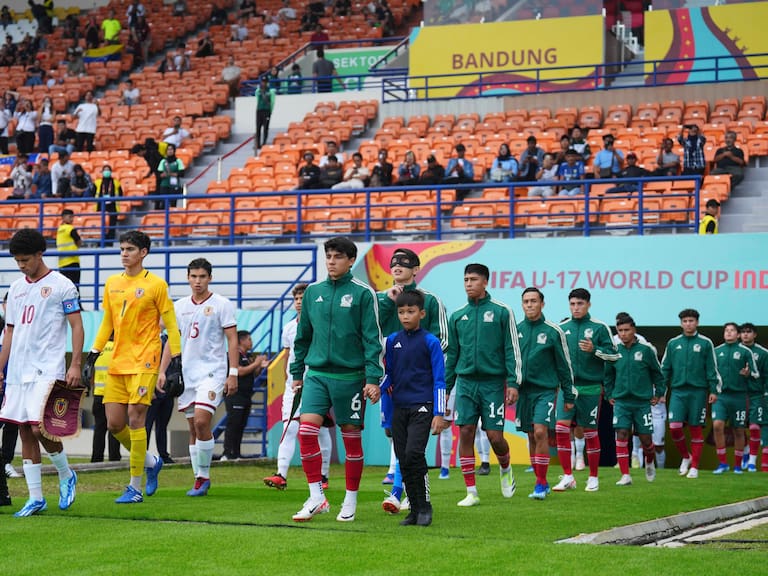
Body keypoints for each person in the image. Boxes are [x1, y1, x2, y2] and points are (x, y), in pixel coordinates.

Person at [290, 237, 383, 522]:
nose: (331, 261)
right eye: (328, 256)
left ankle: (350, 500)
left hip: (351, 377)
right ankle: (317, 497)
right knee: (306, 432)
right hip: (317, 375)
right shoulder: (313, 292)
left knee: (351, 441)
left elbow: (372, 339)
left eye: (338, 257)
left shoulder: (363, 294)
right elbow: (302, 335)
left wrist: (372, 378)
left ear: (351, 260)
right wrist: (297, 373)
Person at [86, 230, 182, 503]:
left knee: (136, 417)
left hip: (146, 360)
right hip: (118, 360)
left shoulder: (156, 285)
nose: (124, 253)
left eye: (130, 249)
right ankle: (152, 461)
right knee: (115, 424)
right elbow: (108, 322)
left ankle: (134, 486)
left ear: (143, 253)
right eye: (122, 249)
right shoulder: (112, 283)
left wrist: (175, 360)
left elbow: (171, 324)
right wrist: (93, 354)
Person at [0, 229, 83, 517]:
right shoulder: (16, 289)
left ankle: (65, 473)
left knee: (39, 426)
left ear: (40, 254)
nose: (21, 265)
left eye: (25, 260)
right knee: (24, 429)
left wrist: (74, 364)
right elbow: (9, 331)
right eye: (17, 261)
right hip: (19, 371)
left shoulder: (62, 285)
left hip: (47, 367)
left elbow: (76, 325)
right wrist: (1, 367)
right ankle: (36, 497)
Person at [158, 258, 238, 497]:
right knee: (193, 427)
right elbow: (172, 342)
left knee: (203, 422)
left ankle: (203, 476)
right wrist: (162, 371)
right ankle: (198, 478)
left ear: (210, 278)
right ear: (188, 278)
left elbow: (232, 340)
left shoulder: (222, 304)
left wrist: (232, 373)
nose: (197, 281)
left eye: (202, 276)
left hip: (212, 372)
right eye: (193, 277)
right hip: (187, 375)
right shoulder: (180, 306)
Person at [445, 263, 521, 507]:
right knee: (465, 431)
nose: (469, 283)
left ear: (485, 282)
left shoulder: (502, 311)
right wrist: (445, 389)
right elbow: (452, 355)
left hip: (491, 384)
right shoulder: (457, 316)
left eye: (473, 279)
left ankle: (506, 467)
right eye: (466, 279)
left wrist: (513, 383)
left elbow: (512, 348)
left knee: (494, 436)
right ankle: (471, 492)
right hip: (466, 383)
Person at [377, 248, 447, 503]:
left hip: (418, 385)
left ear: (416, 269)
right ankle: (405, 490)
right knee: (394, 435)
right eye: (394, 262)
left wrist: (421, 371)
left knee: (412, 444)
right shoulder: (381, 299)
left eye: (405, 263)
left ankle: (402, 492)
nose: (397, 265)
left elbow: (443, 341)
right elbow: (372, 333)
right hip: (391, 382)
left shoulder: (430, 301)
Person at [384, 290, 445, 527]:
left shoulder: (431, 341)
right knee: (403, 458)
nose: (405, 316)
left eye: (410, 312)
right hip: (399, 407)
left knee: (414, 454)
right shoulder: (392, 341)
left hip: (423, 406)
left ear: (422, 313)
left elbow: (439, 380)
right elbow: (389, 375)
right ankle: (413, 510)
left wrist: (439, 414)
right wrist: (377, 388)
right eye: (401, 312)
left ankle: (425, 506)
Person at [263, 285, 331, 488]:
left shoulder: (322, 325)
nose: (300, 301)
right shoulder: (289, 327)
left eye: (303, 298)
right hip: (293, 385)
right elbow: (287, 355)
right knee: (290, 427)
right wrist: (288, 377)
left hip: (317, 383)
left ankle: (323, 475)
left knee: (318, 430)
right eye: (297, 298)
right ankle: (280, 474)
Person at [553, 288, 618, 493]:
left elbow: (615, 356)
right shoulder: (562, 328)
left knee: (590, 432)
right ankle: (568, 476)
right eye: (572, 304)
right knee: (561, 429)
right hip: (568, 388)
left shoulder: (599, 328)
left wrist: (595, 350)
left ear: (588, 304)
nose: (576, 308)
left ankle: (593, 477)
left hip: (590, 388)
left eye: (580, 304)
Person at [516, 287, 575, 500]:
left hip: (545, 391)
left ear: (542, 304)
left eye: (533, 301)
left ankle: (540, 484)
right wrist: (511, 385)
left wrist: (569, 394)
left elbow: (564, 365)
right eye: (526, 301)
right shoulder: (516, 330)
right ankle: (543, 480)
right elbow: (511, 362)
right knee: (531, 434)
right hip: (523, 392)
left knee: (541, 431)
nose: (529, 305)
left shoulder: (553, 331)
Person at [605, 313, 665, 485]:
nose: (623, 333)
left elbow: (658, 374)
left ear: (634, 330)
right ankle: (625, 474)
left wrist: (658, 393)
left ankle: (649, 462)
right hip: (622, 402)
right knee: (621, 434)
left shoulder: (646, 350)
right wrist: (609, 394)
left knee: (646, 440)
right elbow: (608, 375)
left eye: (626, 330)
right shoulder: (614, 351)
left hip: (642, 403)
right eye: (620, 330)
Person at [661, 308, 721, 479]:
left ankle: (695, 466)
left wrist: (714, 390)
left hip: (698, 392)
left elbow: (712, 368)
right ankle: (686, 457)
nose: (688, 324)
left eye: (691, 321)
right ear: (681, 323)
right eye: (685, 321)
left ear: (697, 322)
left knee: (695, 428)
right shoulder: (673, 343)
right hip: (678, 391)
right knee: (674, 427)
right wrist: (661, 391)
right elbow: (665, 369)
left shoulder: (705, 343)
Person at [711, 322, 757, 474]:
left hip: (739, 396)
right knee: (717, 425)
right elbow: (711, 373)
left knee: (738, 430)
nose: (729, 333)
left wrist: (748, 373)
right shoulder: (716, 351)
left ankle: (737, 465)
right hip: (721, 396)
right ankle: (722, 463)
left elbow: (756, 373)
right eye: (726, 331)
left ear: (737, 335)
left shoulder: (745, 351)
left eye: (732, 331)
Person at [223, 331, 267, 460]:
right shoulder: (234, 354)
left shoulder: (247, 356)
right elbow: (239, 371)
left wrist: (259, 366)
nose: (251, 342)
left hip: (246, 395)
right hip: (235, 394)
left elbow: (252, 374)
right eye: (249, 339)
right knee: (233, 423)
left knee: (241, 424)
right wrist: (256, 363)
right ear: (241, 341)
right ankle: (227, 453)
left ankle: (236, 453)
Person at [739, 323, 768, 472]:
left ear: (754, 334)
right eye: (743, 332)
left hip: (756, 395)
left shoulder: (763, 353)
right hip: (736, 395)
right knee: (738, 428)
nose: (745, 335)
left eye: (748, 332)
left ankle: (751, 461)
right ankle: (744, 452)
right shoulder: (734, 350)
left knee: (755, 426)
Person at [90, 338, 122, 462]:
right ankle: (114, 458)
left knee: (99, 428)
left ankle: (96, 459)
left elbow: (90, 373)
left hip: (98, 394)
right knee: (115, 428)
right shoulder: (118, 348)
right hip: (114, 395)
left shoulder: (98, 349)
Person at [93, 165, 122, 242]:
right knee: (102, 224)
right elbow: (93, 193)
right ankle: (101, 241)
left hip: (113, 206)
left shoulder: (116, 182)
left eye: (108, 170)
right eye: (105, 170)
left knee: (112, 224)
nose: (106, 171)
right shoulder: (97, 182)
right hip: (100, 206)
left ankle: (110, 241)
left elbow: (120, 194)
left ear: (111, 172)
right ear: (102, 172)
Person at [56, 209, 81, 294]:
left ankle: (66, 306)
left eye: (72, 217)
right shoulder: (70, 228)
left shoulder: (59, 229)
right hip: (73, 261)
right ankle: (77, 306)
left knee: (65, 289)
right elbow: (79, 241)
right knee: (74, 287)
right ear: (63, 218)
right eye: (70, 217)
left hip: (62, 263)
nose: (72, 219)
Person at [157, 144, 184, 209]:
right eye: (168, 149)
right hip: (164, 185)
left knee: (173, 203)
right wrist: (162, 175)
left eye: (171, 149)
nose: (170, 151)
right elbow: (158, 174)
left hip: (174, 185)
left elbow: (182, 173)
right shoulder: (163, 161)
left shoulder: (178, 161)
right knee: (164, 203)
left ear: (174, 151)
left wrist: (173, 174)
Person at [254, 76, 276, 150]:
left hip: (266, 110)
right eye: (263, 82)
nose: (264, 83)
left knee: (265, 127)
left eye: (265, 82)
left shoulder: (270, 91)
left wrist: (270, 111)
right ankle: (258, 144)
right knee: (258, 128)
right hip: (259, 110)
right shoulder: (258, 91)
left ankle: (264, 143)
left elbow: (272, 102)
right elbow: (257, 99)